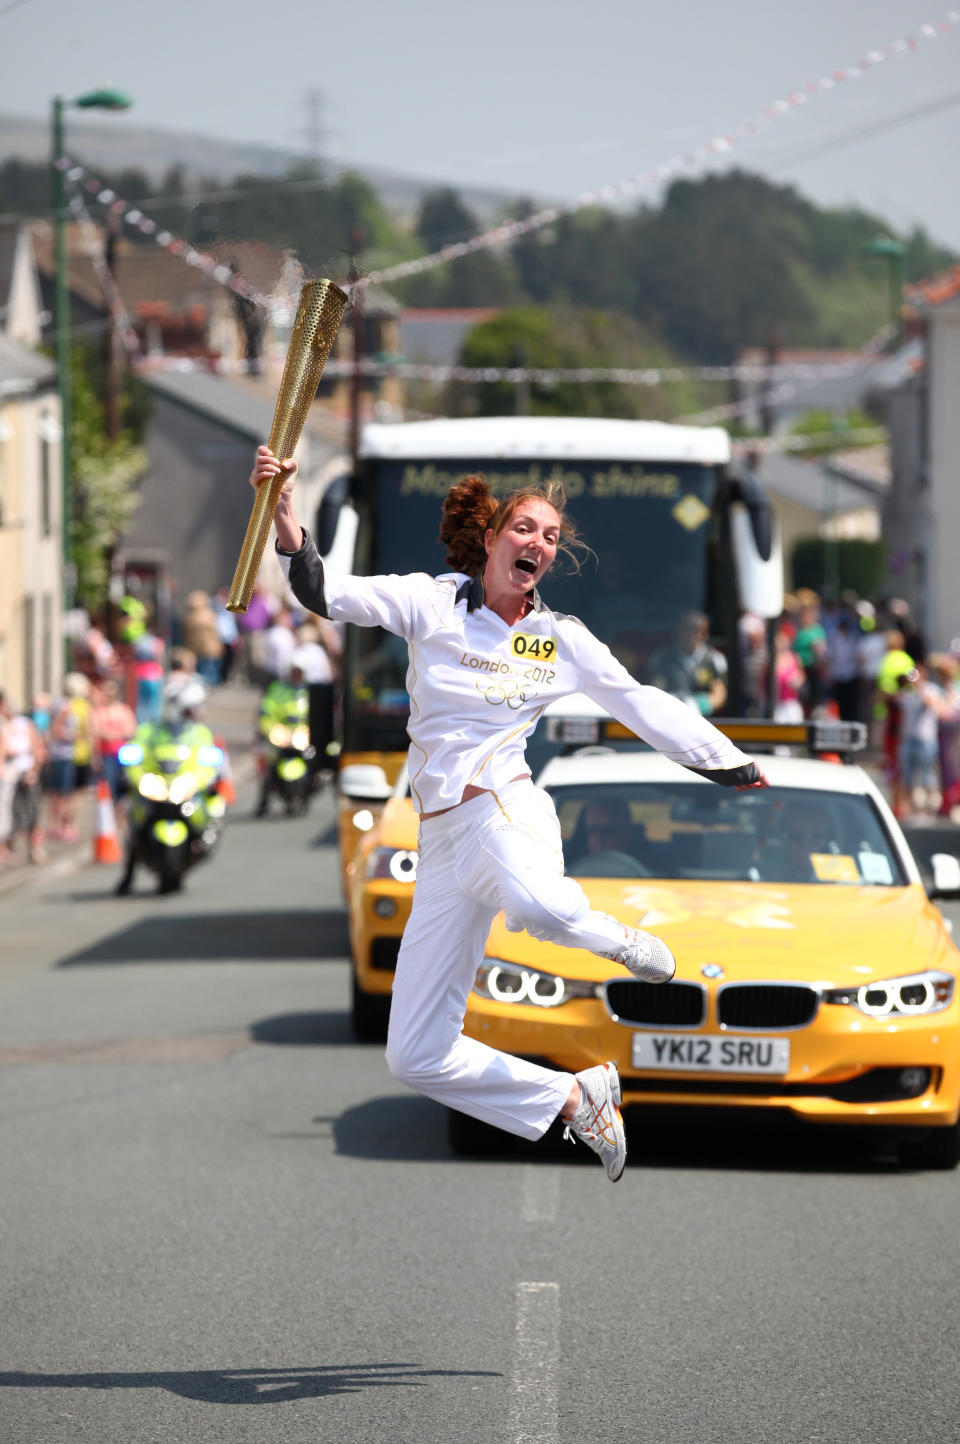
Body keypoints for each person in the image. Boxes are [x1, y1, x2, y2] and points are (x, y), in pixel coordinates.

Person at [249, 444, 769, 1182]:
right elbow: (323, 589)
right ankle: (571, 1097)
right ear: (491, 538)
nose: (539, 544)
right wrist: (283, 507)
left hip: (507, 808)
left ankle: (620, 941)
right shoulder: (430, 602)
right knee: (416, 1054)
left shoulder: (560, 640)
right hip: (442, 840)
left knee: (536, 906)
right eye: (525, 528)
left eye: (551, 537)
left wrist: (726, 761)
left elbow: (639, 703)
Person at [647, 611, 728, 716]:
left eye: (699, 631)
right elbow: (656, 690)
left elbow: (719, 695)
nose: (693, 635)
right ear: (680, 631)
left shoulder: (714, 659)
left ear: (706, 634)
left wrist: (699, 705)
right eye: (688, 629)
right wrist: (673, 703)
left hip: (704, 720)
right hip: (670, 717)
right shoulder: (662, 658)